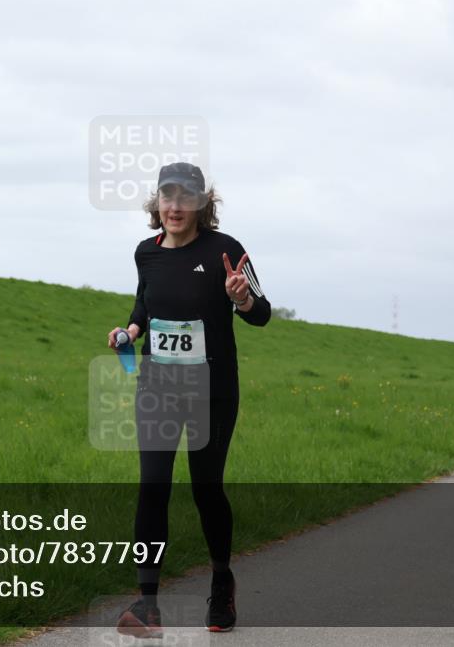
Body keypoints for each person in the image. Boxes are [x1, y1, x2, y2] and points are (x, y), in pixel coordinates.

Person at [107, 162, 271, 636]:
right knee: (153, 486)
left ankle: (222, 583)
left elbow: (261, 313)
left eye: (185, 197)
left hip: (212, 392)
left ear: (203, 203)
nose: (175, 206)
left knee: (205, 488)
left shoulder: (227, 251)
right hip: (157, 388)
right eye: (167, 196)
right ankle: (147, 604)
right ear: (157, 202)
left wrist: (240, 298)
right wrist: (130, 330)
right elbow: (145, 304)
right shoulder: (146, 253)